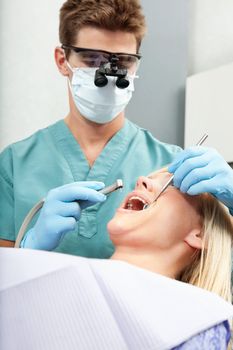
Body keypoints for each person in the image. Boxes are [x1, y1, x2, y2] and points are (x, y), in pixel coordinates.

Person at [0, 0, 233, 257]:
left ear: (137, 65)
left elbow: (215, 272)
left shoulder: (171, 168)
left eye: (123, 62)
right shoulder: (14, 165)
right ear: (62, 60)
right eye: (91, 59)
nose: (109, 74)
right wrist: (26, 248)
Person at [1, 169, 232, 349]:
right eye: (146, 179)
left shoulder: (201, 322)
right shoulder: (50, 287)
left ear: (200, 234)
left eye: (172, 183)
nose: (142, 180)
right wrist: (21, 261)